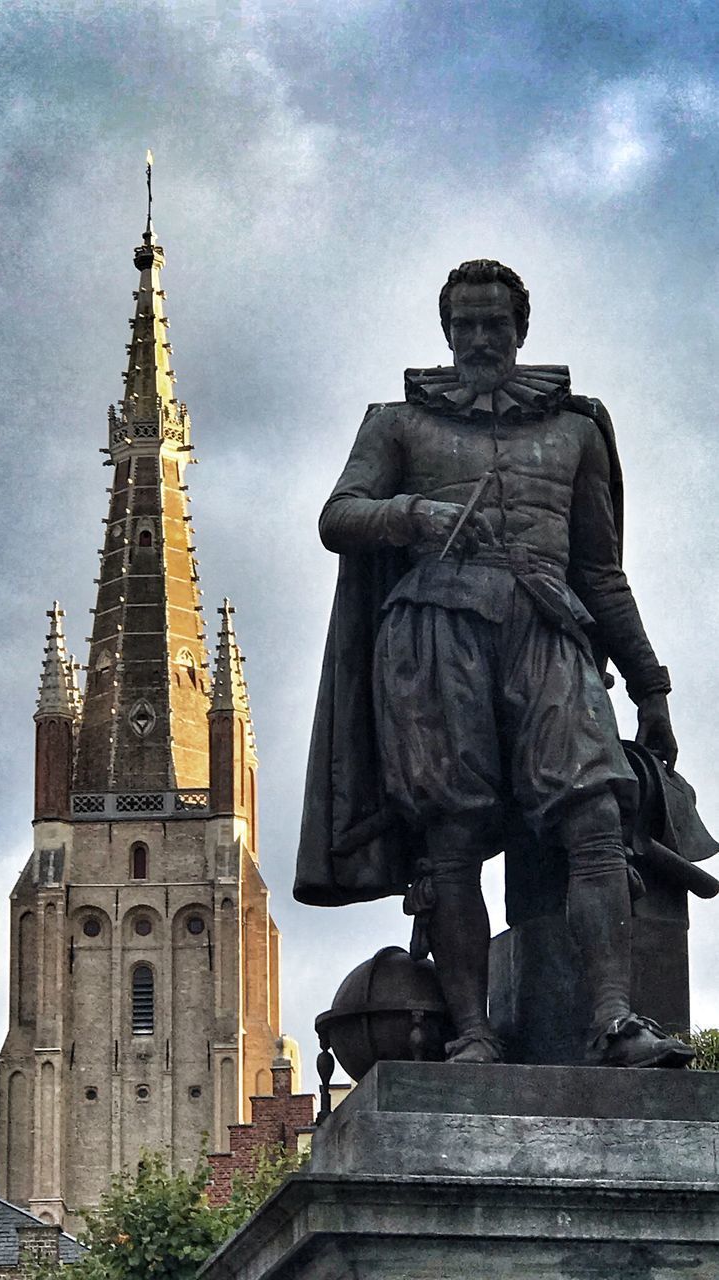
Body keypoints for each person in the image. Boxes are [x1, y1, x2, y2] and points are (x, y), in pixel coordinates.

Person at [295, 259, 693, 1069]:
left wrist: (650, 684)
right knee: (454, 836)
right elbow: (338, 517)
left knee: (595, 816)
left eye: (495, 323)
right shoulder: (398, 424)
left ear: (521, 328)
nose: (480, 338)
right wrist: (414, 514)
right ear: (446, 331)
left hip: (550, 629)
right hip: (437, 632)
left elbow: (602, 571)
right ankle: (473, 1032)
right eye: (465, 324)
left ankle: (614, 1020)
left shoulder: (578, 427)